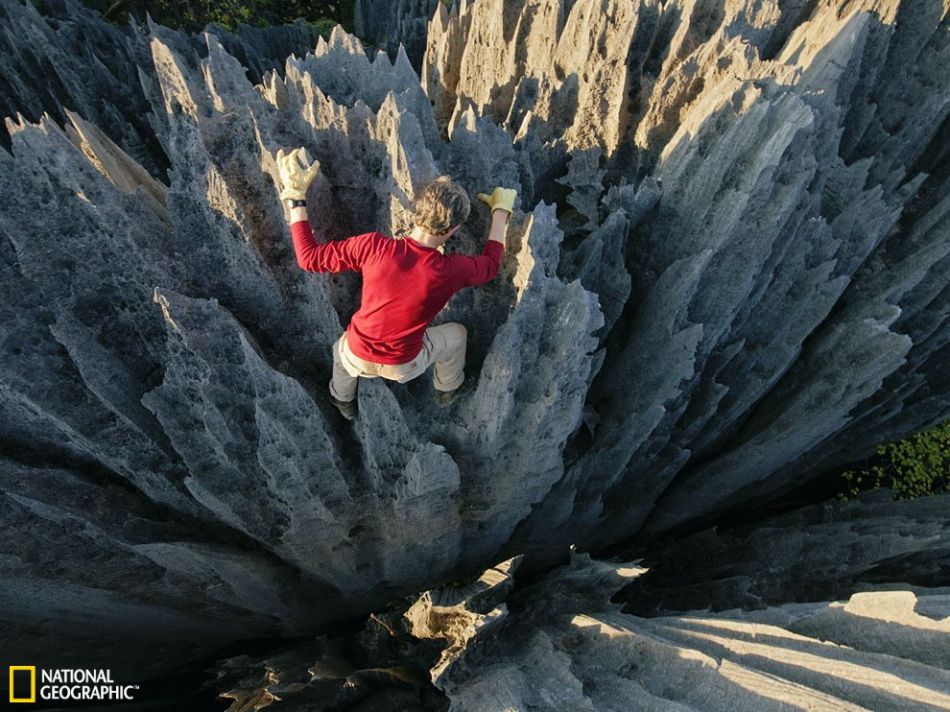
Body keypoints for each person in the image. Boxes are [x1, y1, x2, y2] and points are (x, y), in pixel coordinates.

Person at [276, 147, 516, 420]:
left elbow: (309, 259)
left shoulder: (373, 247)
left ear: (417, 211)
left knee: (341, 355)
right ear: (453, 230)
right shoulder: (451, 270)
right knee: (457, 335)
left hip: (358, 354)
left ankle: (342, 401)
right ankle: (446, 389)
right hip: (404, 365)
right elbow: (491, 265)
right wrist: (500, 211)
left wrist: (295, 197)